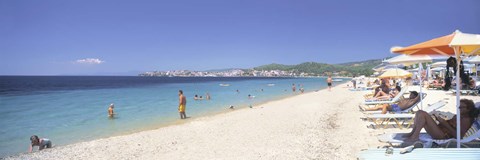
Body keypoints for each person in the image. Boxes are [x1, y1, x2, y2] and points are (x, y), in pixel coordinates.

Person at [403, 99, 479, 142]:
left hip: (443, 135)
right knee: (419, 112)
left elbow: (459, 136)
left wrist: (444, 123)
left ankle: (415, 136)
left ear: (468, 109)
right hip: (441, 130)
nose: (459, 109)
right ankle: (412, 133)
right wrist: (440, 120)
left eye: (461, 107)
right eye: (458, 107)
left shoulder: (467, 120)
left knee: (422, 114)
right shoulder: (461, 116)